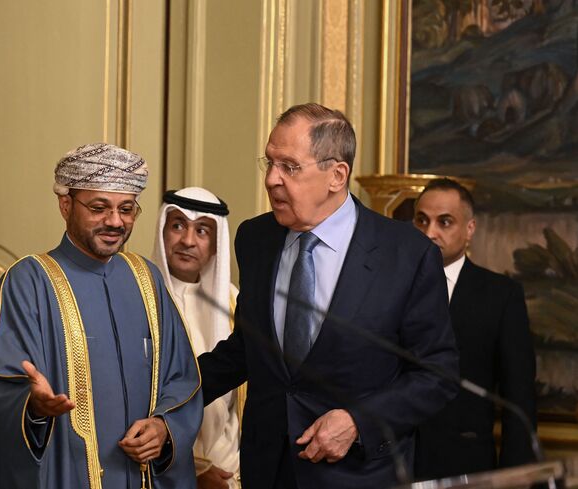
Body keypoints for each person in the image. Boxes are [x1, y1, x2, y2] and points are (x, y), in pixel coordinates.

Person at [197, 103, 460, 489]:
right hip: (266, 470)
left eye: (289, 167)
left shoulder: (406, 253)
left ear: (337, 175)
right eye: (269, 163)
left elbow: (437, 373)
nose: (271, 179)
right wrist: (160, 397)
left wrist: (358, 421)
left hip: (359, 474)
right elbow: (248, 349)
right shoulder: (256, 238)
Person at [0, 143, 202, 489]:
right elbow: (10, 385)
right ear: (66, 204)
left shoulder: (146, 278)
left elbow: (182, 377)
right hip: (65, 475)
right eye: (99, 208)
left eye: (127, 209)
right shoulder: (29, 280)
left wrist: (164, 427)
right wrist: (36, 407)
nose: (115, 221)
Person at [412, 178, 537, 480]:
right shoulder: (387, 286)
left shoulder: (500, 295)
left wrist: (513, 480)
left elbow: (518, 397)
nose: (430, 233)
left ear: (469, 229)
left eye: (445, 222)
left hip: (464, 467)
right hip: (390, 464)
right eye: (421, 220)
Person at [152, 187, 242, 489]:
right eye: (177, 225)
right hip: (161, 467)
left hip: (232, 470)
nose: (187, 241)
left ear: (217, 243)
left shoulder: (233, 301)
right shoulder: (140, 296)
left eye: (202, 231)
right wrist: (194, 468)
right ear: (162, 231)